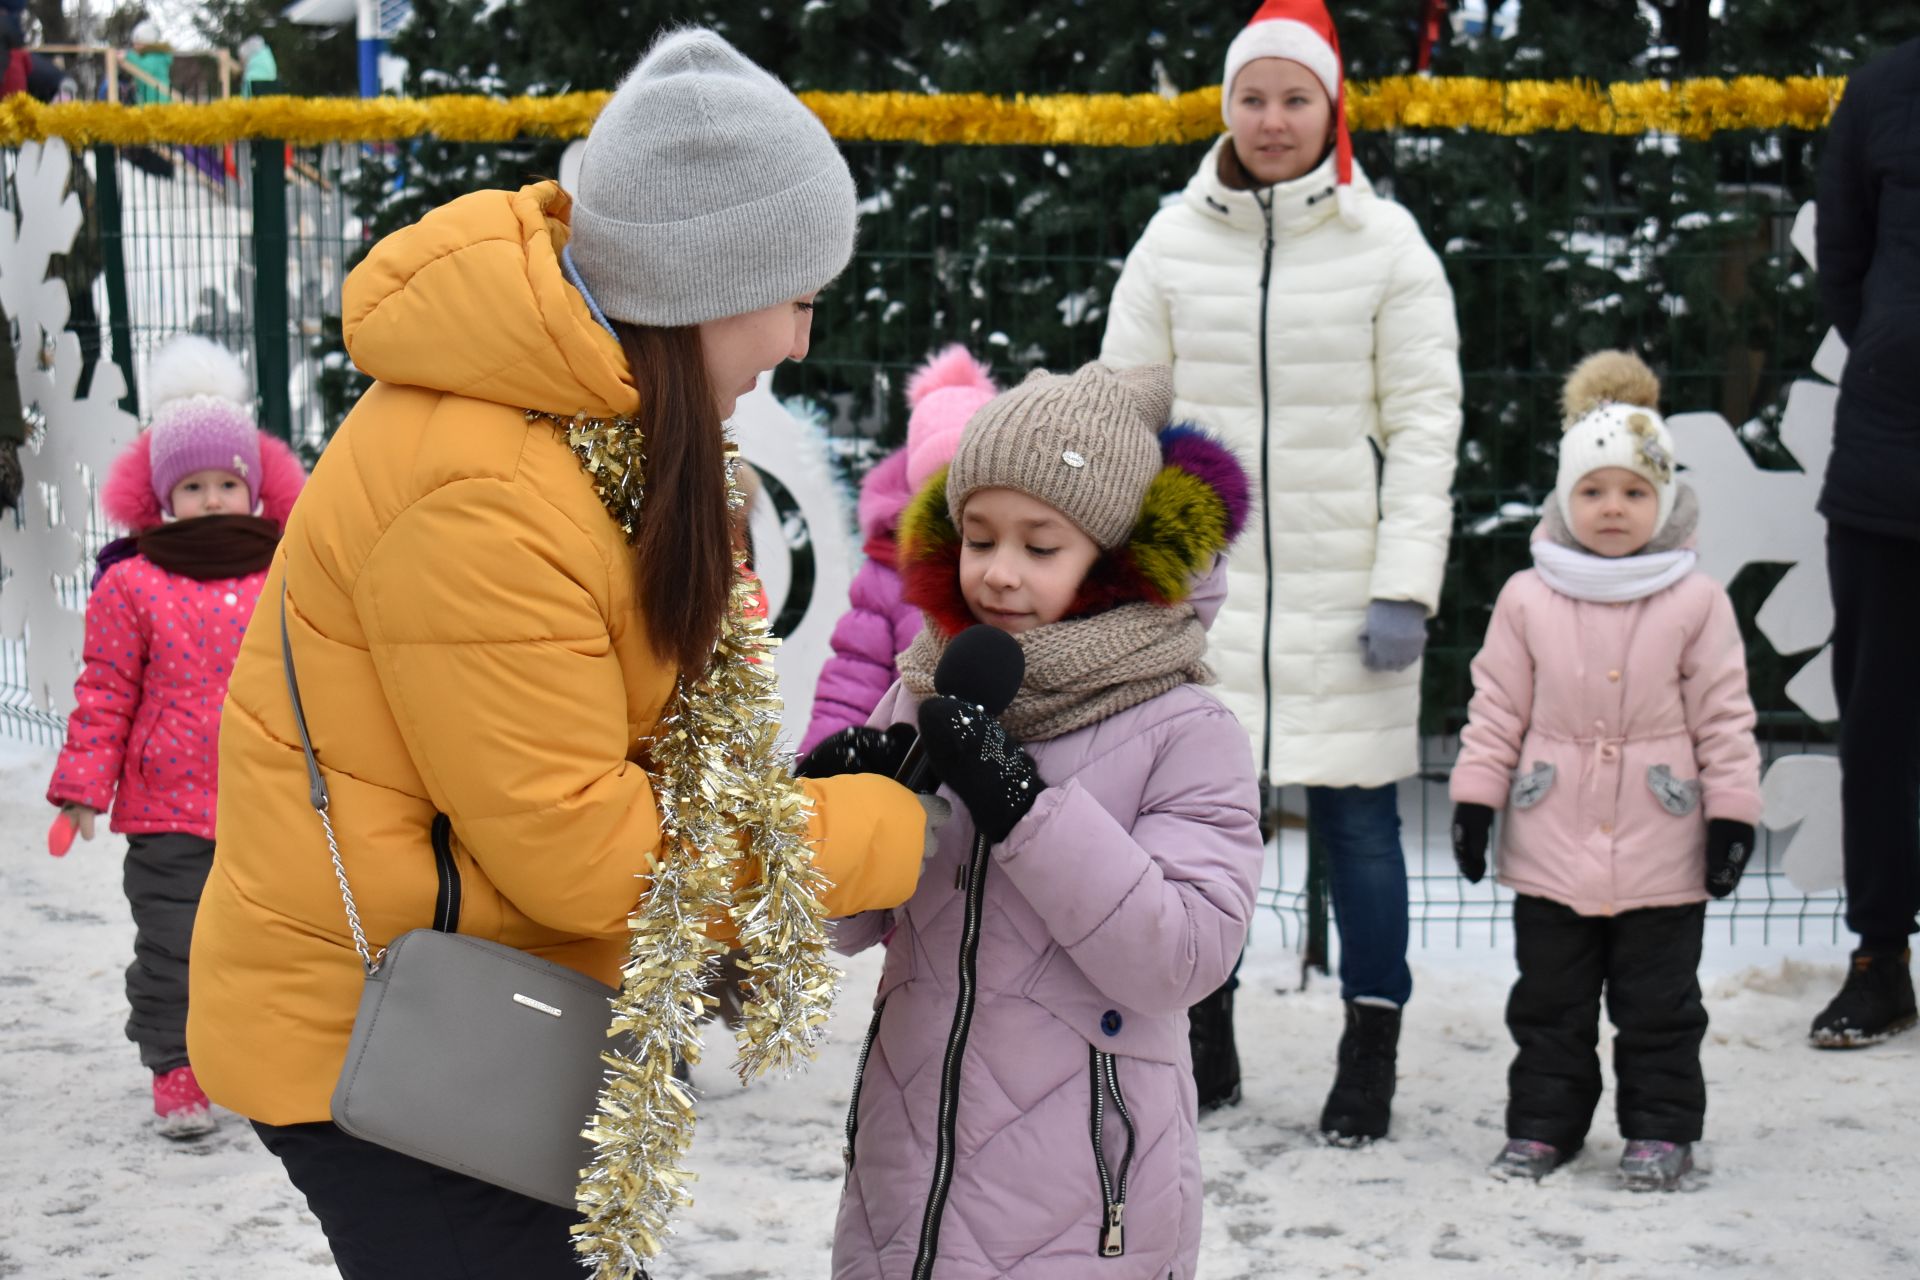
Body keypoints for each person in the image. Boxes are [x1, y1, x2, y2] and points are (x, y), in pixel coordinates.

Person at [185, 29, 938, 1279]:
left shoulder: (589, 427)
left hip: (475, 1002)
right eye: (799, 298)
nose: (802, 342)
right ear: (710, 284)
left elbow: (604, 732)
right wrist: (883, 830)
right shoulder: (484, 484)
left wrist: (802, 788)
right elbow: (584, 850)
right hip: (382, 1038)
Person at [806, 360, 1264, 1279]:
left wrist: (1027, 812)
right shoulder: (925, 686)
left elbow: (1184, 955)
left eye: (1040, 546)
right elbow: (845, 925)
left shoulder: (1186, 728)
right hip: (912, 1172)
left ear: (1112, 557)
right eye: (978, 539)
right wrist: (833, 810)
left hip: (1083, 1191)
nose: (999, 574)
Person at [1099, 0, 1462, 1137]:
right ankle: (1201, 1038)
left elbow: (1425, 419)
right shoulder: (1170, 240)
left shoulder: (1385, 244)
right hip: (1200, 598)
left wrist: (1407, 581)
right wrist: (1132, 574)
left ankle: (1371, 1050)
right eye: (1252, 96)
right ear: (1226, 107)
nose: (1272, 118)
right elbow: (1121, 409)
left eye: (1294, 97)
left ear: (1331, 106)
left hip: (1346, 591)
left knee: (1360, 828)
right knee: (1198, 828)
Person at [1449, 352, 1761, 1191]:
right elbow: (1497, 708)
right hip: (1552, 840)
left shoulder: (1696, 601)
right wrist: (1476, 801)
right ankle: (1545, 1126)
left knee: (1659, 1005)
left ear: (1661, 501)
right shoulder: (1527, 597)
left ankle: (1661, 1128)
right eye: (1592, 491)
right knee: (1549, 1002)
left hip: (1663, 845)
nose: (1612, 507)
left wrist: (1731, 815)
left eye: (1631, 491)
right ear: (1563, 500)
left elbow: (1726, 718)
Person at [45, 334, 305, 1140]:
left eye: (228, 482)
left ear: (256, 488)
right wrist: (83, 786)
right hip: (168, 809)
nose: (214, 498)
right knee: (174, 943)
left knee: (275, 938)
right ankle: (175, 1064)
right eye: (193, 486)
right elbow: (107, 688)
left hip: (274, 798)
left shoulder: (288, 569)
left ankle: (267, 1055)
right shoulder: (132, 582)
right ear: (162, 497)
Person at [1808, 35, 1920, 1049]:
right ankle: (1881, 959)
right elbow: (1841, 261)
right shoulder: (1886, 88)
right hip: (1891, 468)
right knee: (1880, 731)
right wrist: (1897, 340)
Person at [800, 344, 997, 752]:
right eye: (938, 493)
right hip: (910, 762)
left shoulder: (1016, 568)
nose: (954, 511)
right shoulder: (888, 572)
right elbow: (851, 684)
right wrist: (821, 767)